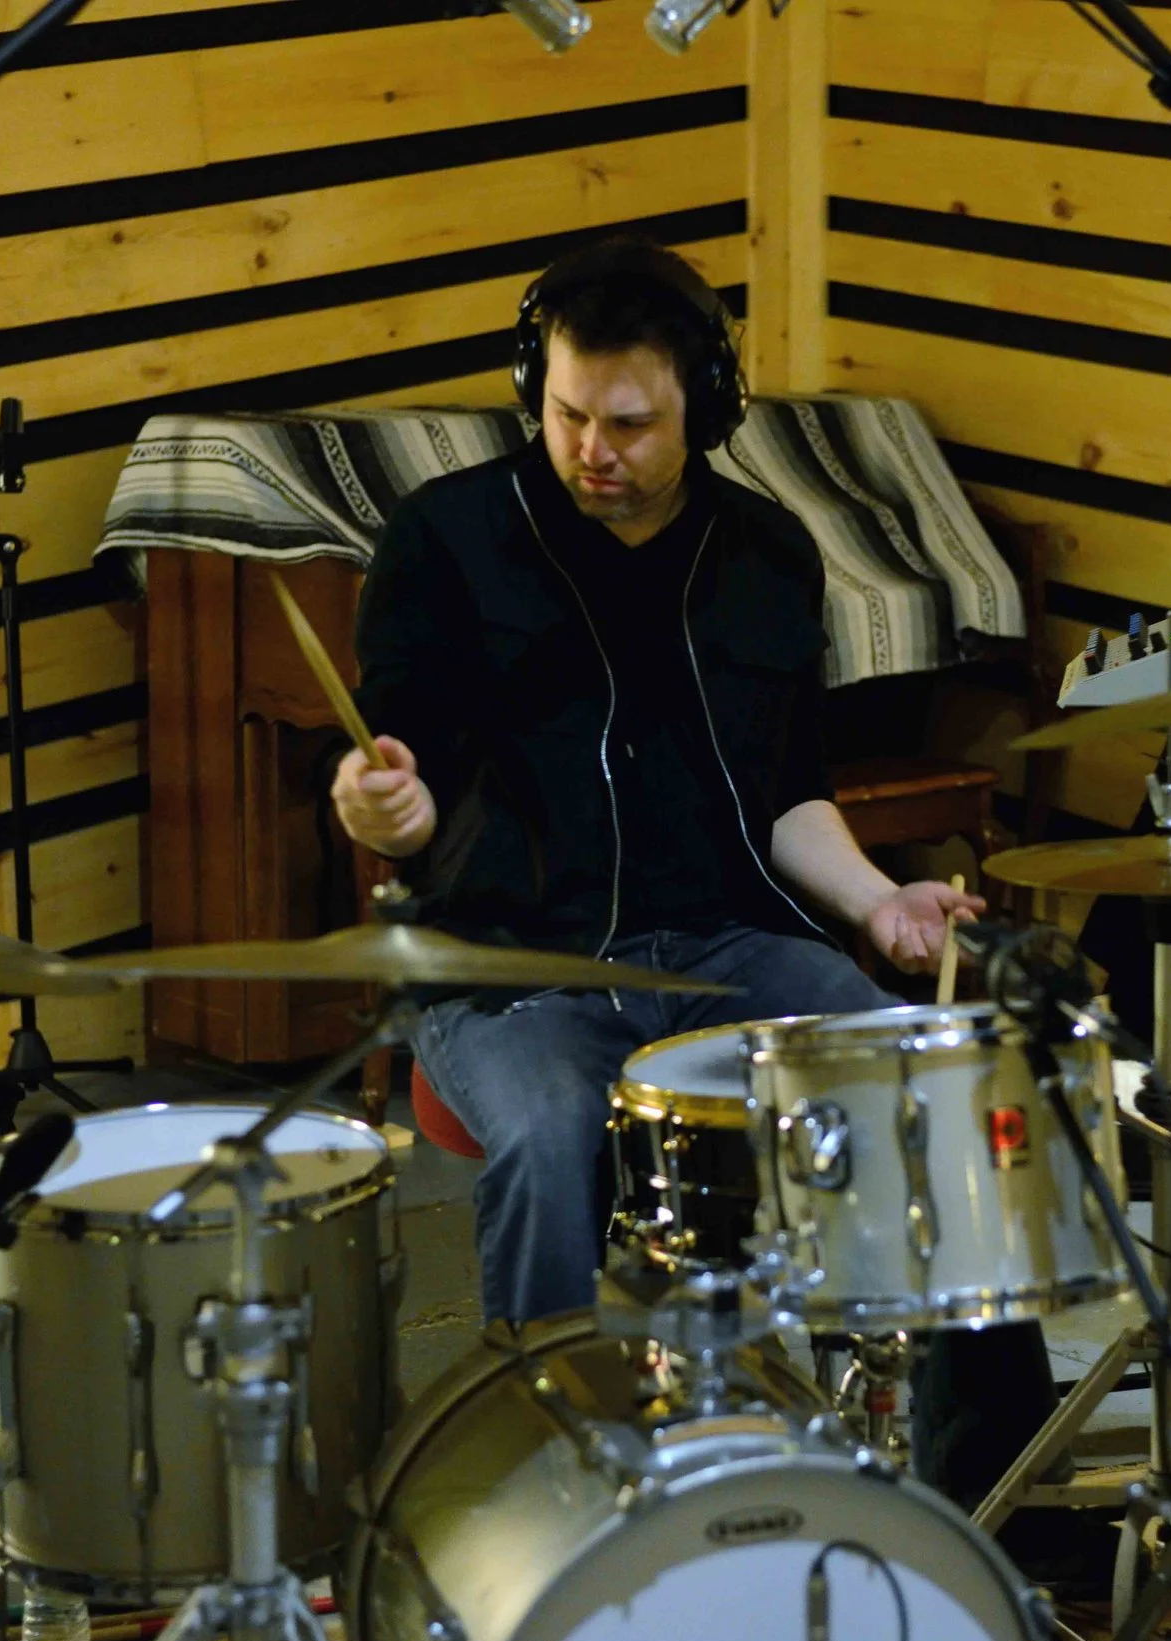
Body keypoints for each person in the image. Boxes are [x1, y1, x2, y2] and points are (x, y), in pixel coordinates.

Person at [331, 237, 1056, 1506]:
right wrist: (381, 812)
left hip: (725, 946)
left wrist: (877, 900)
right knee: (553, 1135)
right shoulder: (444, 540)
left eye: (629, 423)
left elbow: (785, 794)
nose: (590, 450)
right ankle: (547, 1492)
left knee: (928, 1083)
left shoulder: (767, 553)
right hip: (509, 966)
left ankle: (992, 1489)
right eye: (566, 414)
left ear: (704, 410)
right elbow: (400, 789)